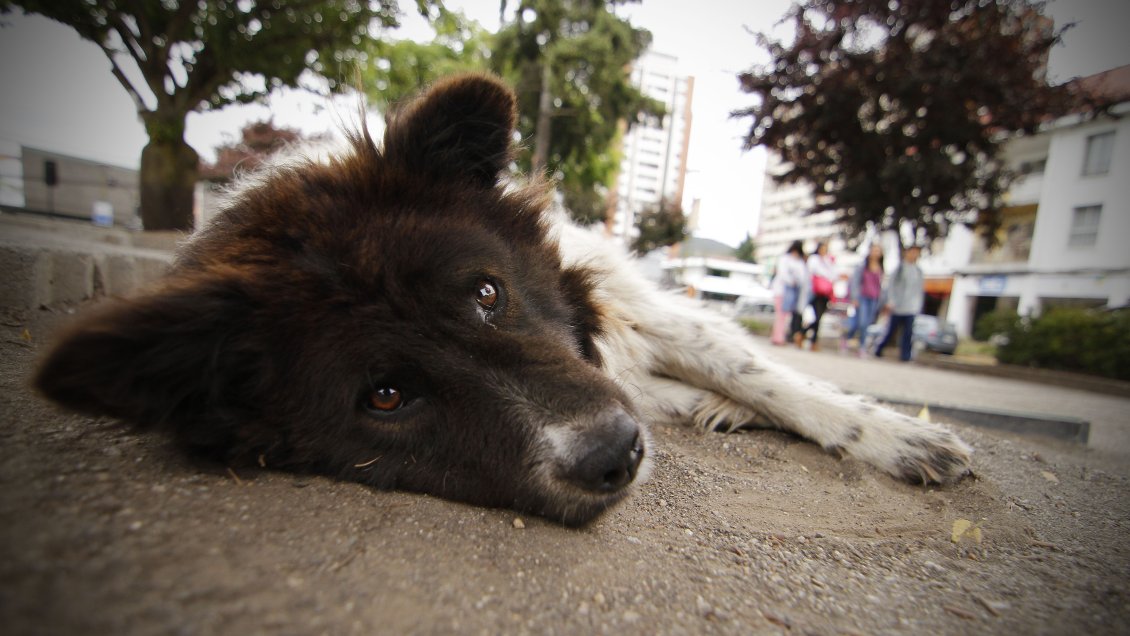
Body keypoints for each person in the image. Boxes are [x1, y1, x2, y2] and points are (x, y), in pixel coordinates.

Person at [875, 244, 925, 362]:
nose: (914, 255)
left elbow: (919, 290)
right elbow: (891, 285)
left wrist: (918, 305)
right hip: (897, 306)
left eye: (916, 252)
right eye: (912, 252)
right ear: (907, 253)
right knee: (891, 330)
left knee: (908, 333)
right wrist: (890, 301)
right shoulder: (900, 268)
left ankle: (905, 356)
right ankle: (879, 348)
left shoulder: (918, 271)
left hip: (911, 307)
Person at [841, 243, 886, 356]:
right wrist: (854, 297)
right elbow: (855, 282)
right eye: (874, 250)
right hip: (862, 298)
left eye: (878, 251)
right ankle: (847, 339)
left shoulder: (881, 268)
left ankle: (862, 347)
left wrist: (882, 302)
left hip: (874, 299)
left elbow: (881, 286)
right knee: (860, 323)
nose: (876, 253)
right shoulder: (862, 266)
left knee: (866, 324)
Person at [770, 241, 807, 346]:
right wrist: (792, 281)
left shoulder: (799, 262)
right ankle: (778, 338)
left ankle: (779, 336)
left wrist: (796, 281)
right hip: (781, 291)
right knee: (780, 315)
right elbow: (782, 274)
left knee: (785, 316)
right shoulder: (785, 259)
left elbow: (802, 277)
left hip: (792, 293)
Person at [804, 241, 836, 351]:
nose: (824, 251)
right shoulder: (814, 259)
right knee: (817, 317)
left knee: (819, 318)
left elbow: (833, 274)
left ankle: (804, 333)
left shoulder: (829, 260)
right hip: (816, 291)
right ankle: (812, 341)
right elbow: (812, 272)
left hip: (826, 293)